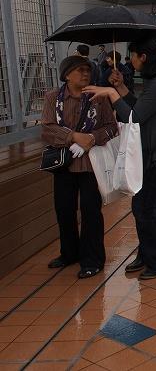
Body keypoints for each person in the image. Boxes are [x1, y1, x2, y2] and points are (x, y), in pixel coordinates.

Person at [85, 39, 156, 280]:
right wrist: (120, 87)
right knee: (151, 207)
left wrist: (110, 92)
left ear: (144, 57)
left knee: (143, 208)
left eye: (134, 56)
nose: (131, 61)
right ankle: (148, 254)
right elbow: (141, 108)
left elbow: (134, 118)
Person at [41, 56, 117, 279]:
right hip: (63, 163)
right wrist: (73, 137)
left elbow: (111, 127)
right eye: (80, 70)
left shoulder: (98, 97)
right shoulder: (53, 98)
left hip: (91, 165)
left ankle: (93, 259)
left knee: (91, 211)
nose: (85, 74)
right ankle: (69, 253)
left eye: (88, 70)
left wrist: (92, 138)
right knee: (64, 209)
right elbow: (47, 128)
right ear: (66, 75)